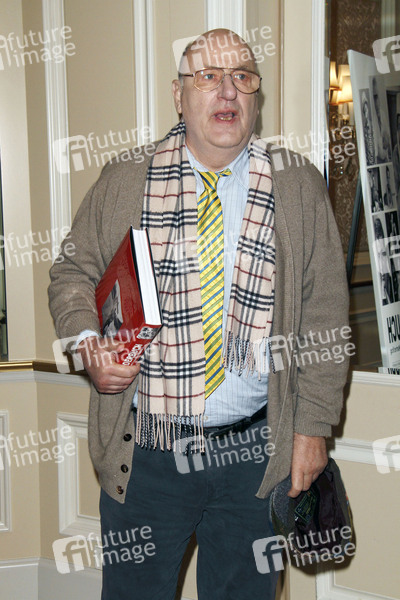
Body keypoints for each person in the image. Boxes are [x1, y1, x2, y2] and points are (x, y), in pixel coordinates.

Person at [48, 29, 349, 600]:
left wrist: (312, 430)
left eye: (242, 77)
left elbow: (325, 316)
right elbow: (71, 272)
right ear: (178, 94)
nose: (227, 91)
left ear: (256, 95)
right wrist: (88, 345)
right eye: (208, 77)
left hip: (255, 455)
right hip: (147, 456)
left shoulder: (297, 184)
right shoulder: (126, 178)